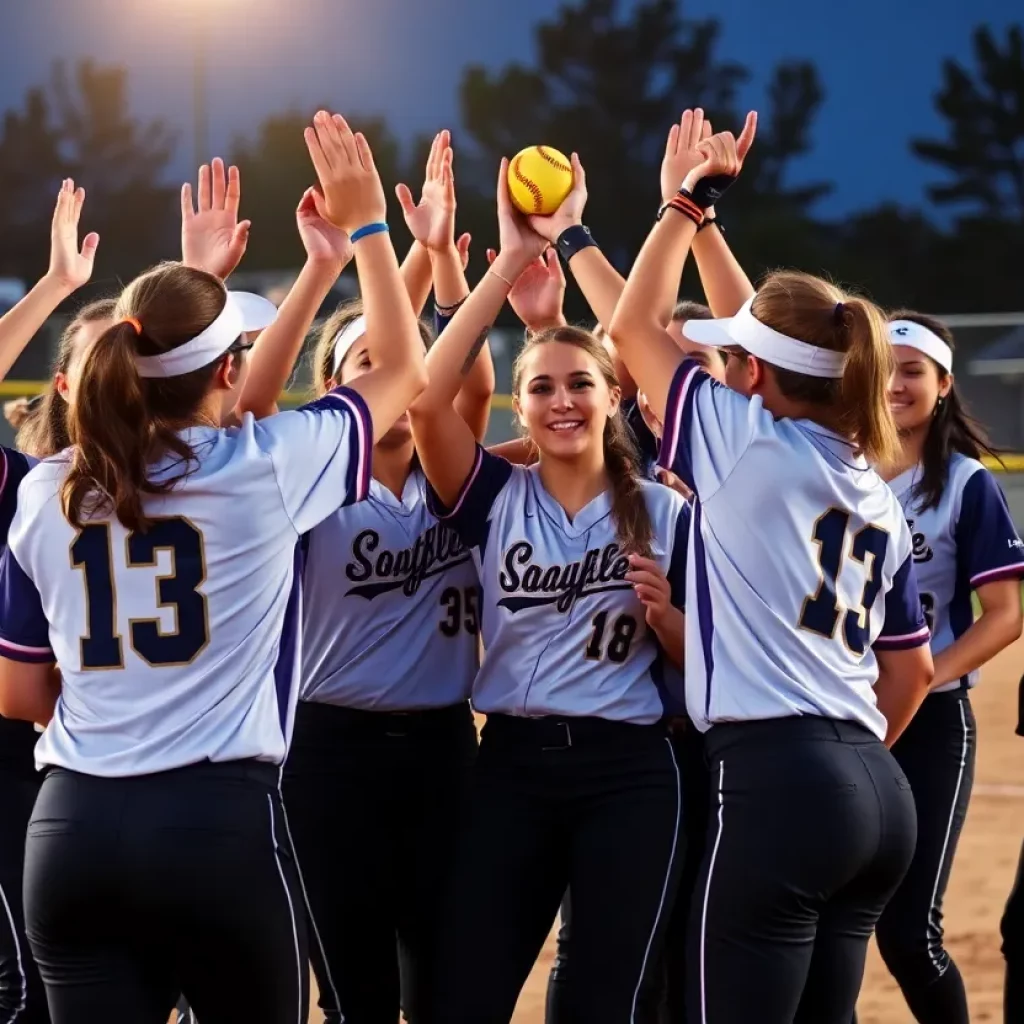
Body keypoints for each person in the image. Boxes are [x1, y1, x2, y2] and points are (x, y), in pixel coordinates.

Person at [0, 111, 427, 1024]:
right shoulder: (262, 468)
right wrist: (367, 227)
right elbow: (402, 368)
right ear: (228, 370)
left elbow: (22, 693)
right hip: (214, 822)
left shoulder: (45, 490)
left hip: (71, 828)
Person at [606, 108, 934, 1023]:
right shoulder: (872, 484)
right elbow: (911, 670)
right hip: (877, 787)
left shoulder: (751, 447)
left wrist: (681, 205)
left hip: (779, 779)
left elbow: (632, 325)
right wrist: (710, 223)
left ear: (755, 376)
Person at [412, 159, 691, 1024]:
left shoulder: (665, 510)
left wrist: (667, 621)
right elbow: (426, 404)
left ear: (614, 396)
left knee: (606, 1001)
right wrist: (506, 262)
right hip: (512, 769)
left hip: (630, 772)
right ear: (520, 407)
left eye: (580, 383)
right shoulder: (495, 495)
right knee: (462, 997)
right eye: (541, 387)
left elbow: (710, 661)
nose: (562, 400)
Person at [274, 131, 492, 1024]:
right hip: (330, 753)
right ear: (337, 394)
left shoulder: (460, 474)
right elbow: (385, 363)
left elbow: (458, 381)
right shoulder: (311, 483)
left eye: (393, 362)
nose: (390, 378)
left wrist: (437, 254)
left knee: (445, 983)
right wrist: (381, 248)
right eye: (359, 368)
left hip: (444, 748)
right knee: (354, 993)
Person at [868, 313, 1024, 1024]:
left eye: (912, 371)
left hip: (931, 721)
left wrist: (924, 675)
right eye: (884, 368)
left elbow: (1004, 614)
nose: (895, 384)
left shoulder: (964, 484)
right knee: (823, 924)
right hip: (843, 718)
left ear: (943, 385)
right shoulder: (835, 471)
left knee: (907, 933)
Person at [0, 178, 99, 1024]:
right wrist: (56, 287)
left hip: (91, 753)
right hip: (12, 750)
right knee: (29, 984)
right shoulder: (32, 486)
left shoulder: (168, 485)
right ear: (64, 385)